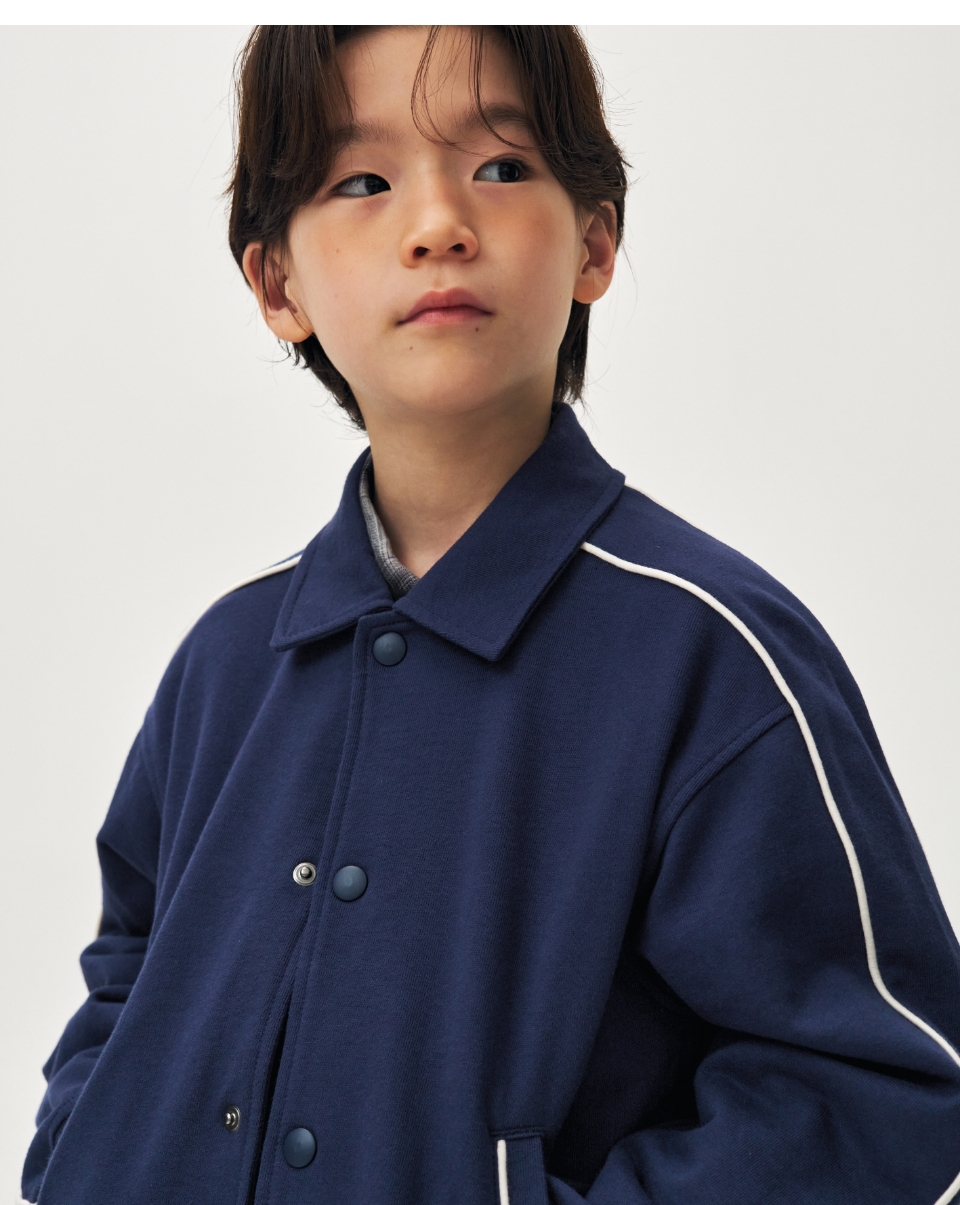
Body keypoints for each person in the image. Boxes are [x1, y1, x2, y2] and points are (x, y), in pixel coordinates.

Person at [22, 24, 960, 1205]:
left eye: (502, 167)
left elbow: (877, 1081)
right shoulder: (225, 659)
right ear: (278, 285)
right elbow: (128, 968)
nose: (437, 224)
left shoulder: (710, 656)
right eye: (361, 181)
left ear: (595, 242)